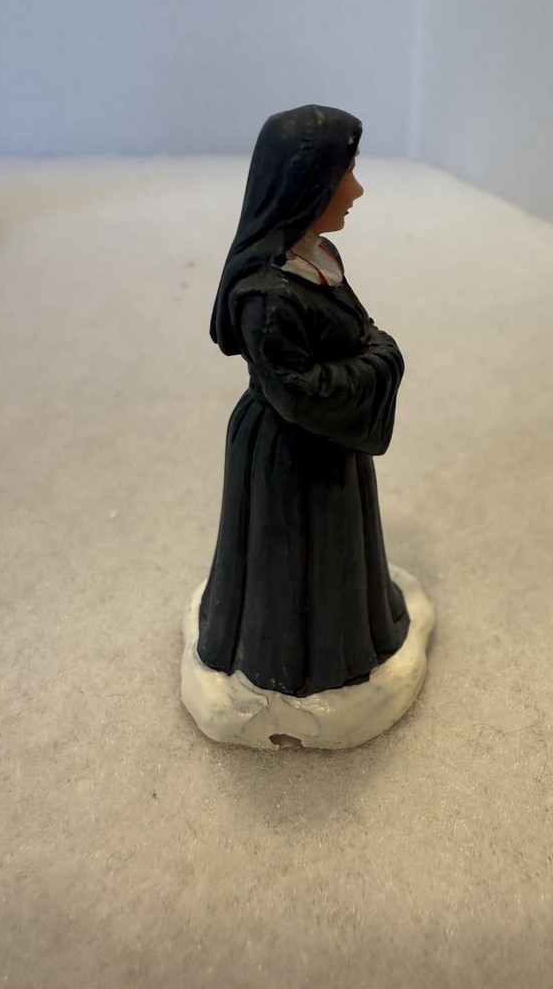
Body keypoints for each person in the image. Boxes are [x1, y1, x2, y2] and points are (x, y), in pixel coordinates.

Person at [196, 105, 410, 698]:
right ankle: (290, 663)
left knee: (338, 548)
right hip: (289, 454)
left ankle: (351, 636)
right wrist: (384, 359)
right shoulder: (266, 296)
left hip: (328, 443)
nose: (356, 190)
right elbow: (297, 391)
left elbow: (359, 327)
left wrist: (375, 349)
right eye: (346, 173)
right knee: (289, 555)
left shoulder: (319, 258)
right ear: (307, 182)